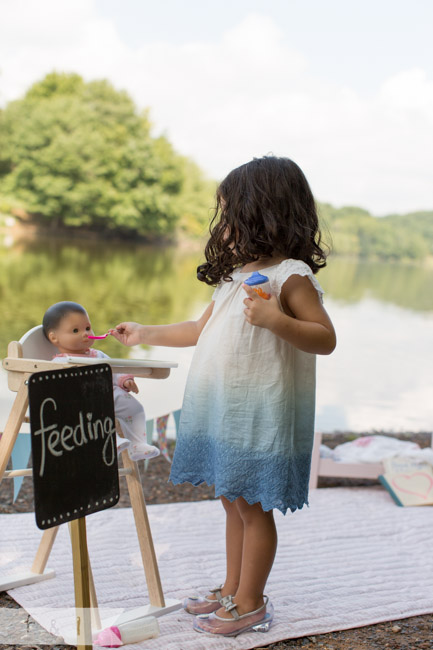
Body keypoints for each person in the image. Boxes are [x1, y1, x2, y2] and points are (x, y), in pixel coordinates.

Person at [110, 156, 336, 637]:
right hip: (223, 413)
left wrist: (277, 320)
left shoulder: (289, 276)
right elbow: (197, 329)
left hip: (260, 416)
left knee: (253, 508)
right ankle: (233, 587)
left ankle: (251, 602)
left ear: (262, 212)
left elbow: (323, 337)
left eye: (231, 211)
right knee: (232, 501)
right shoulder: (235, 277)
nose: (224, 222)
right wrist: (142, 331)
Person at [42, 301, 160, 462]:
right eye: (75, 330)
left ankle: (138, 445)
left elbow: (115, 368)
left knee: (135, 408)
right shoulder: (60, 363)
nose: (85, 333)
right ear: (54, 338)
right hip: (81, 403)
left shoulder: (98, 355)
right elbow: (54, 388)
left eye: (87, 328)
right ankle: (109, 442)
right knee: (97, 413)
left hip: (108, 393)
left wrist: (125, 380)